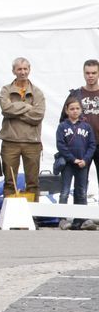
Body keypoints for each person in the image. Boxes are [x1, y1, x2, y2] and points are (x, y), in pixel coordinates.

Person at [0, 57, 46, 199]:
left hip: (32, 142)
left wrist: (15, 112)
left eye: (25, 69)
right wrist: (26, 107)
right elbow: (5, 108)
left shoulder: (37, 92)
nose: (23, 72)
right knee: (9, 182)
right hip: (10, 141)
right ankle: (10, 217)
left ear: (29, 70)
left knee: (32, 182)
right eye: (19, 69)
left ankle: (31, 216)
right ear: (13, 71)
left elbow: (38, 115)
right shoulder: (6, 89)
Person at [56, 98, 95, 229]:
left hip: (83, 164)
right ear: (67, 111)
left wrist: (86, 159)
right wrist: (72, 159)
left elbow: (92, 145)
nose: (75, 111)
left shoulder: (86, 126)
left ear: (81, 110)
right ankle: (62, 219)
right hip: (68, 164)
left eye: (77, 108)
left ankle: (81, 220)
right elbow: (60, 145)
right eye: (72, 109)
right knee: (65, 191)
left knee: (82, 192)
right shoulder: (62, 126)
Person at [62, 59, 99, 181]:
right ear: (83, 73)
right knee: (81, 185)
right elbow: (63, 120)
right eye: (87, 73)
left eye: (94, 73)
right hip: (82, 146)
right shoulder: (76, 94)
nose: (90, 76)